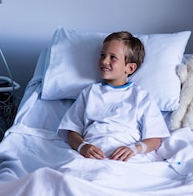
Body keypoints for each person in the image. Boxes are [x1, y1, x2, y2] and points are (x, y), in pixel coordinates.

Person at [57, 31, 170, 161]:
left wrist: (135, 148)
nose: (104, 61)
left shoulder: (141, 97)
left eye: (113, 57)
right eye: (102, 55)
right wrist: (82, 146)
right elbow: (71, 131)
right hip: (91, 154)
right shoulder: (90, 93)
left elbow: (155, 139)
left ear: (130, 68)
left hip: (127, 156)